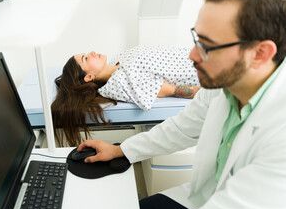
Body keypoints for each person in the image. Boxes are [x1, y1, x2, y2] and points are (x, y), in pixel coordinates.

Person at [77, 0, 286, 209]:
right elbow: (181, 128)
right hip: (204, 199)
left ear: (260, 53)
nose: (193, 55)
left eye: (208, 46)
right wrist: (121, 149)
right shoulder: (225, 85)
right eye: (197, 38)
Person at [51, 46, 201, 147]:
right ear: (89, 77)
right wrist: (217, 90)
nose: (92, 52)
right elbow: (174, 90)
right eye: (86, 58)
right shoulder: (121, 82)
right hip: (206, 67)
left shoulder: (117, 60)